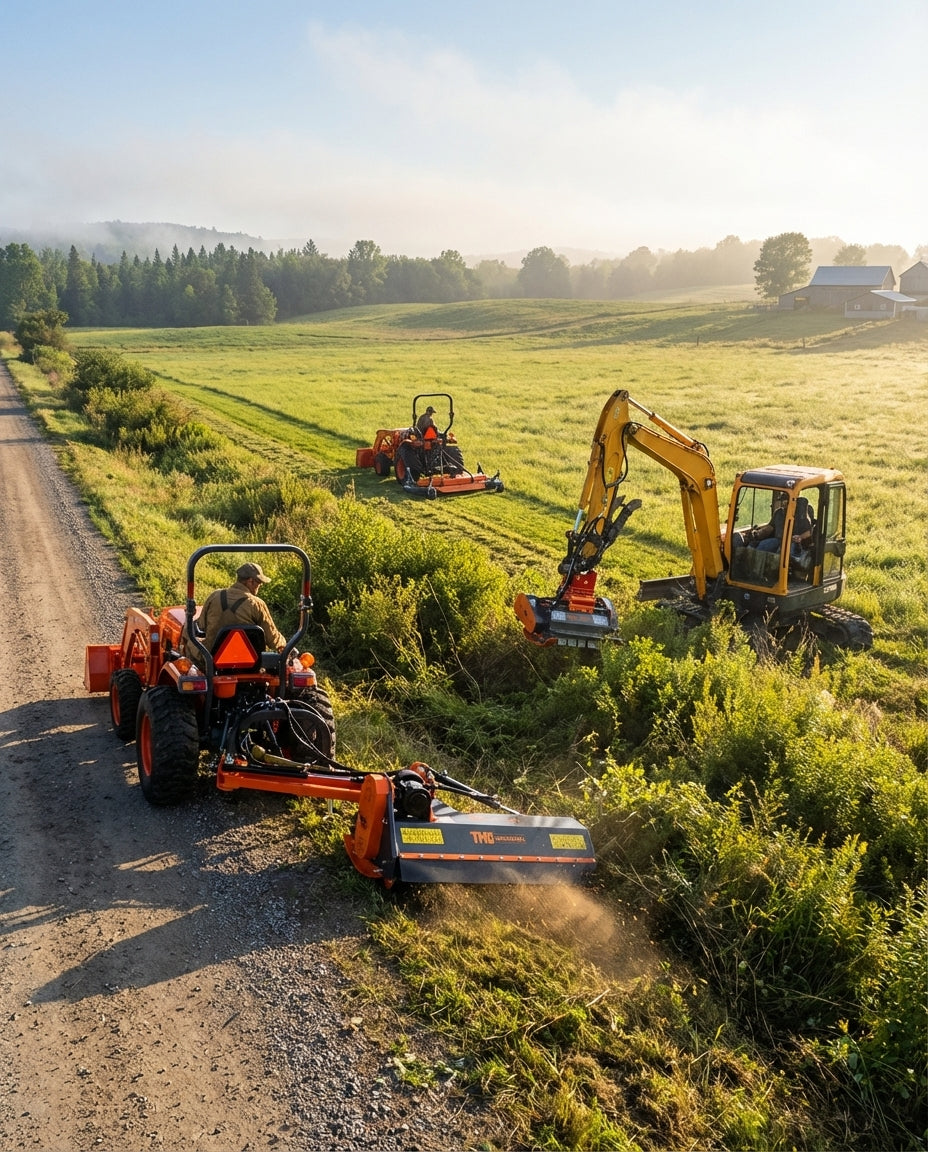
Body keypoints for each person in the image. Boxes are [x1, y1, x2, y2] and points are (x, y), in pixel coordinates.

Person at [189, 561, 288, 658]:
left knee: (188, 634)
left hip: (212, 660)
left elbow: (202, 626)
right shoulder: (257, 604)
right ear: (250, 581)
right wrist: (286, 646)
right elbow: (272, 638)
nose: (260, 586)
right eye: (259, 582)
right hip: (248, 662)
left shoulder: (215, 596)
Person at [754, 493, 814, 558]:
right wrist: (758, 532)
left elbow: (808, 532)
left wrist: (800, 537)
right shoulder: (778, 512)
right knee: (762, 546)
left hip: (792, 542)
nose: (783, 503)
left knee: (787, 555)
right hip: (778, 540)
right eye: (782, 501)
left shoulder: (801, 515)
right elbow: (770, 527)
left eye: (785, 501)